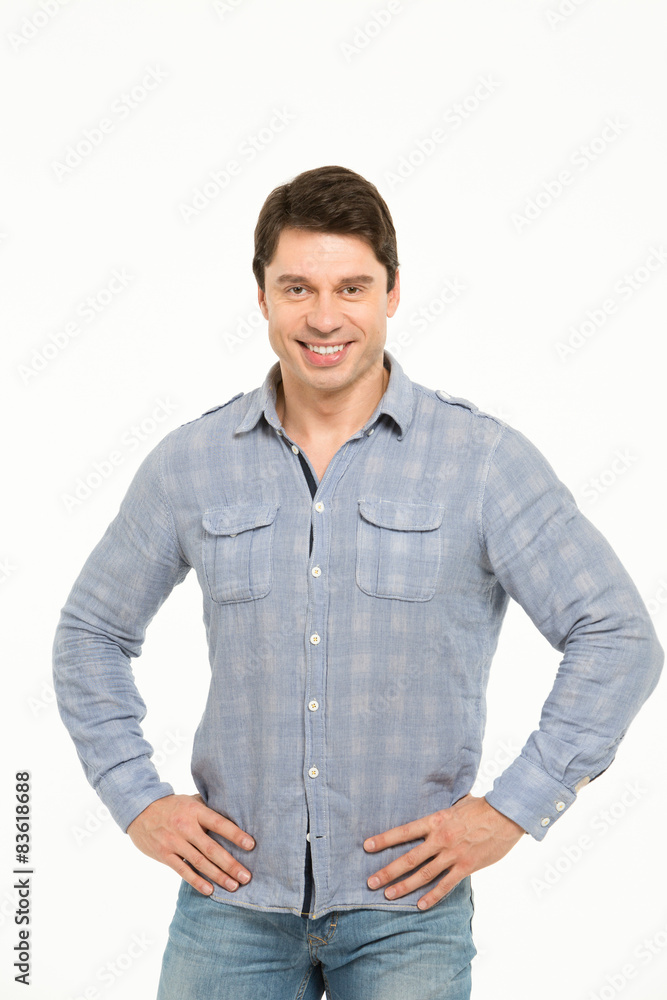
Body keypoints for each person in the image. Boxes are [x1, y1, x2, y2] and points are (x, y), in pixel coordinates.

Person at [52, 165, 663, 999]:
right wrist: (135, 798)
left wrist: (515, 808)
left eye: (351, 287)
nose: (324, 317)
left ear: (392, 292)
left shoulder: (480, 461)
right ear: (262, 296)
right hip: (230, 902)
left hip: (408, 910)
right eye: (297, 288)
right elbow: (90, 632)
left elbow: (617, 636)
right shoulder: (190, 463)